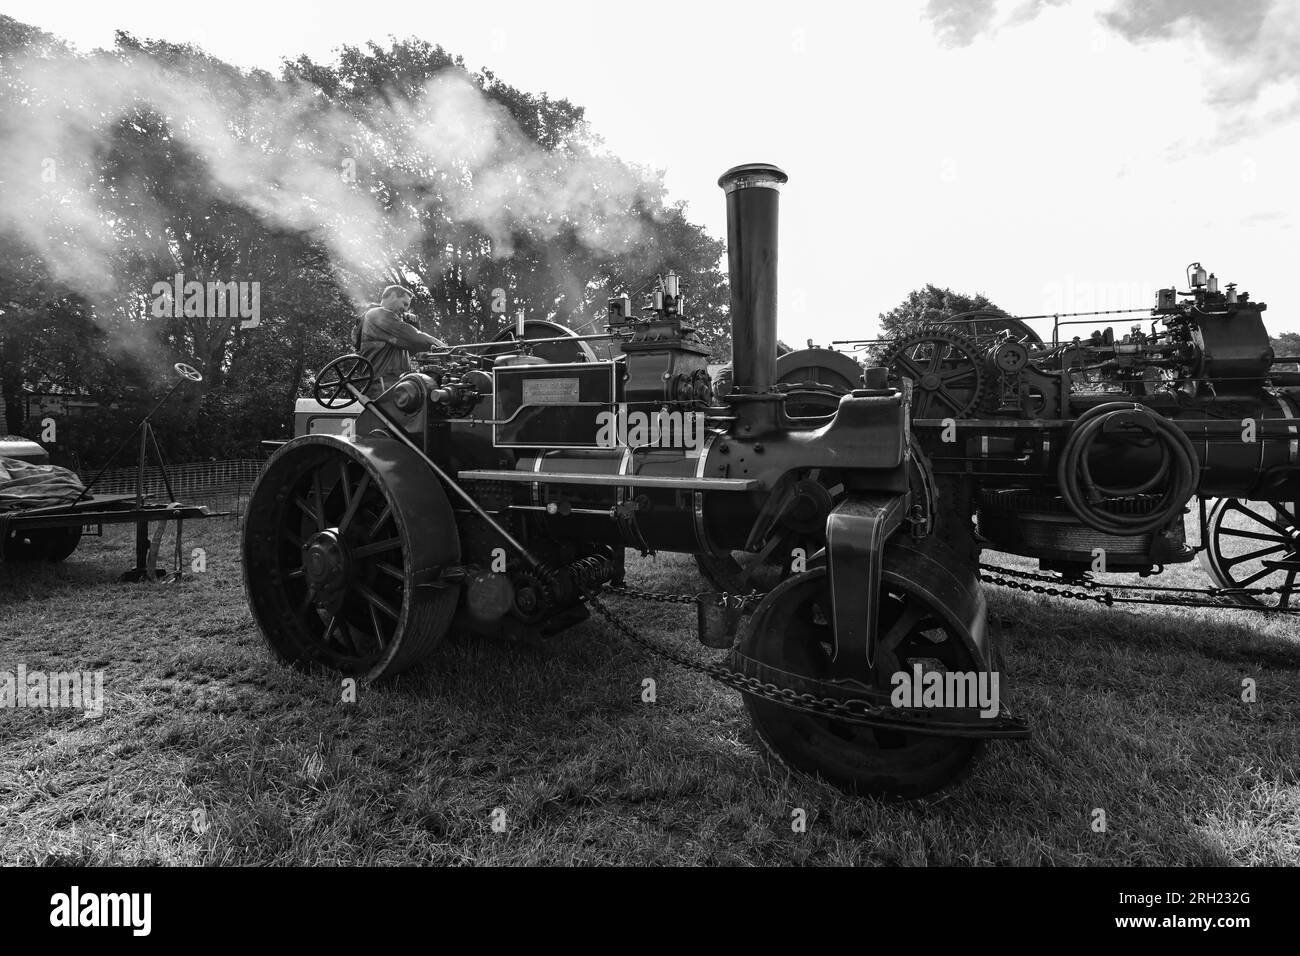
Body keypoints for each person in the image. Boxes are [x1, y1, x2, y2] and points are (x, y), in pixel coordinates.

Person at [355, 285, 447, 396]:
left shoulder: (382, 322)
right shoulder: (378, 314)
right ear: (393, 296)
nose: (406, 309)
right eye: (404, 303)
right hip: (382, 386)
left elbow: (412, 349)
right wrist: (443, 347)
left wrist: (413, 325)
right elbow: (413, 337)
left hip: (390, 384)